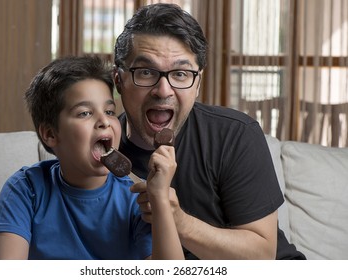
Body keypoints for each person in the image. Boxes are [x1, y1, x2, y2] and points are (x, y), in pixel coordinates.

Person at [113, 3, 306, 260]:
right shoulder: (100, 151)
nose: (163, 90)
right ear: (118, 80)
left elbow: (261, 256)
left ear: (198, 84)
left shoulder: (234, 135)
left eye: (180, 74)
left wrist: (176, 219)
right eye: (146, 72)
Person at [0, 55, 183, 260]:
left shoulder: (135, 198)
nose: (104, 121)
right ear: (51, 134)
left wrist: (161, 205)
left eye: (109, 111)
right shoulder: (25, 189)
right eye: (85, 113)